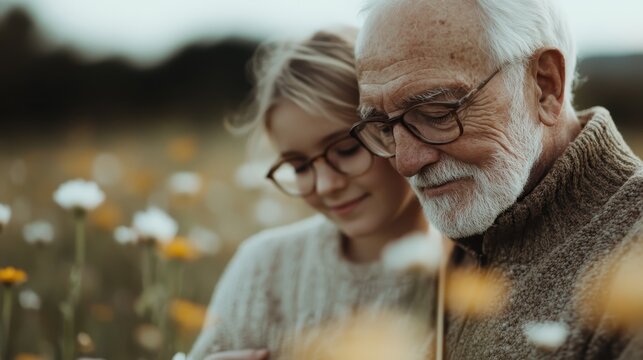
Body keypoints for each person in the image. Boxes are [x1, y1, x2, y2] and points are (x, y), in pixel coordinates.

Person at [351, 0, 643, 358]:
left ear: (545, 86)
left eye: (436, 113)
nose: (406, 162)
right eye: (382, 126)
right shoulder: (442, 248)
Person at [189, 28, 432, 360]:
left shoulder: (469, 266)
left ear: (397, 127)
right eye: (300, 167)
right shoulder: (263, 270)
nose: (325, 185)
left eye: (346, 150)